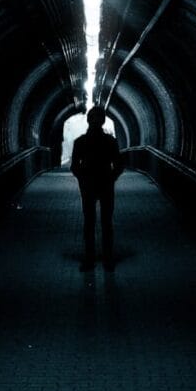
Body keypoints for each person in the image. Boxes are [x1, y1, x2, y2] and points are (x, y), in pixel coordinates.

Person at [70, 107, 124, 272]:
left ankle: (89, 259)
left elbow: (74, 167)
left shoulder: (80, 142)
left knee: (89, 222)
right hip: (106, 185)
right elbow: (119, 165)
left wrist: (82, 179)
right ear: (103, 121)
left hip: (88, 187)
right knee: (106, 223)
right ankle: (108, 260)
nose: (95, 121)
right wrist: (111, 178)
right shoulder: (110, 141)